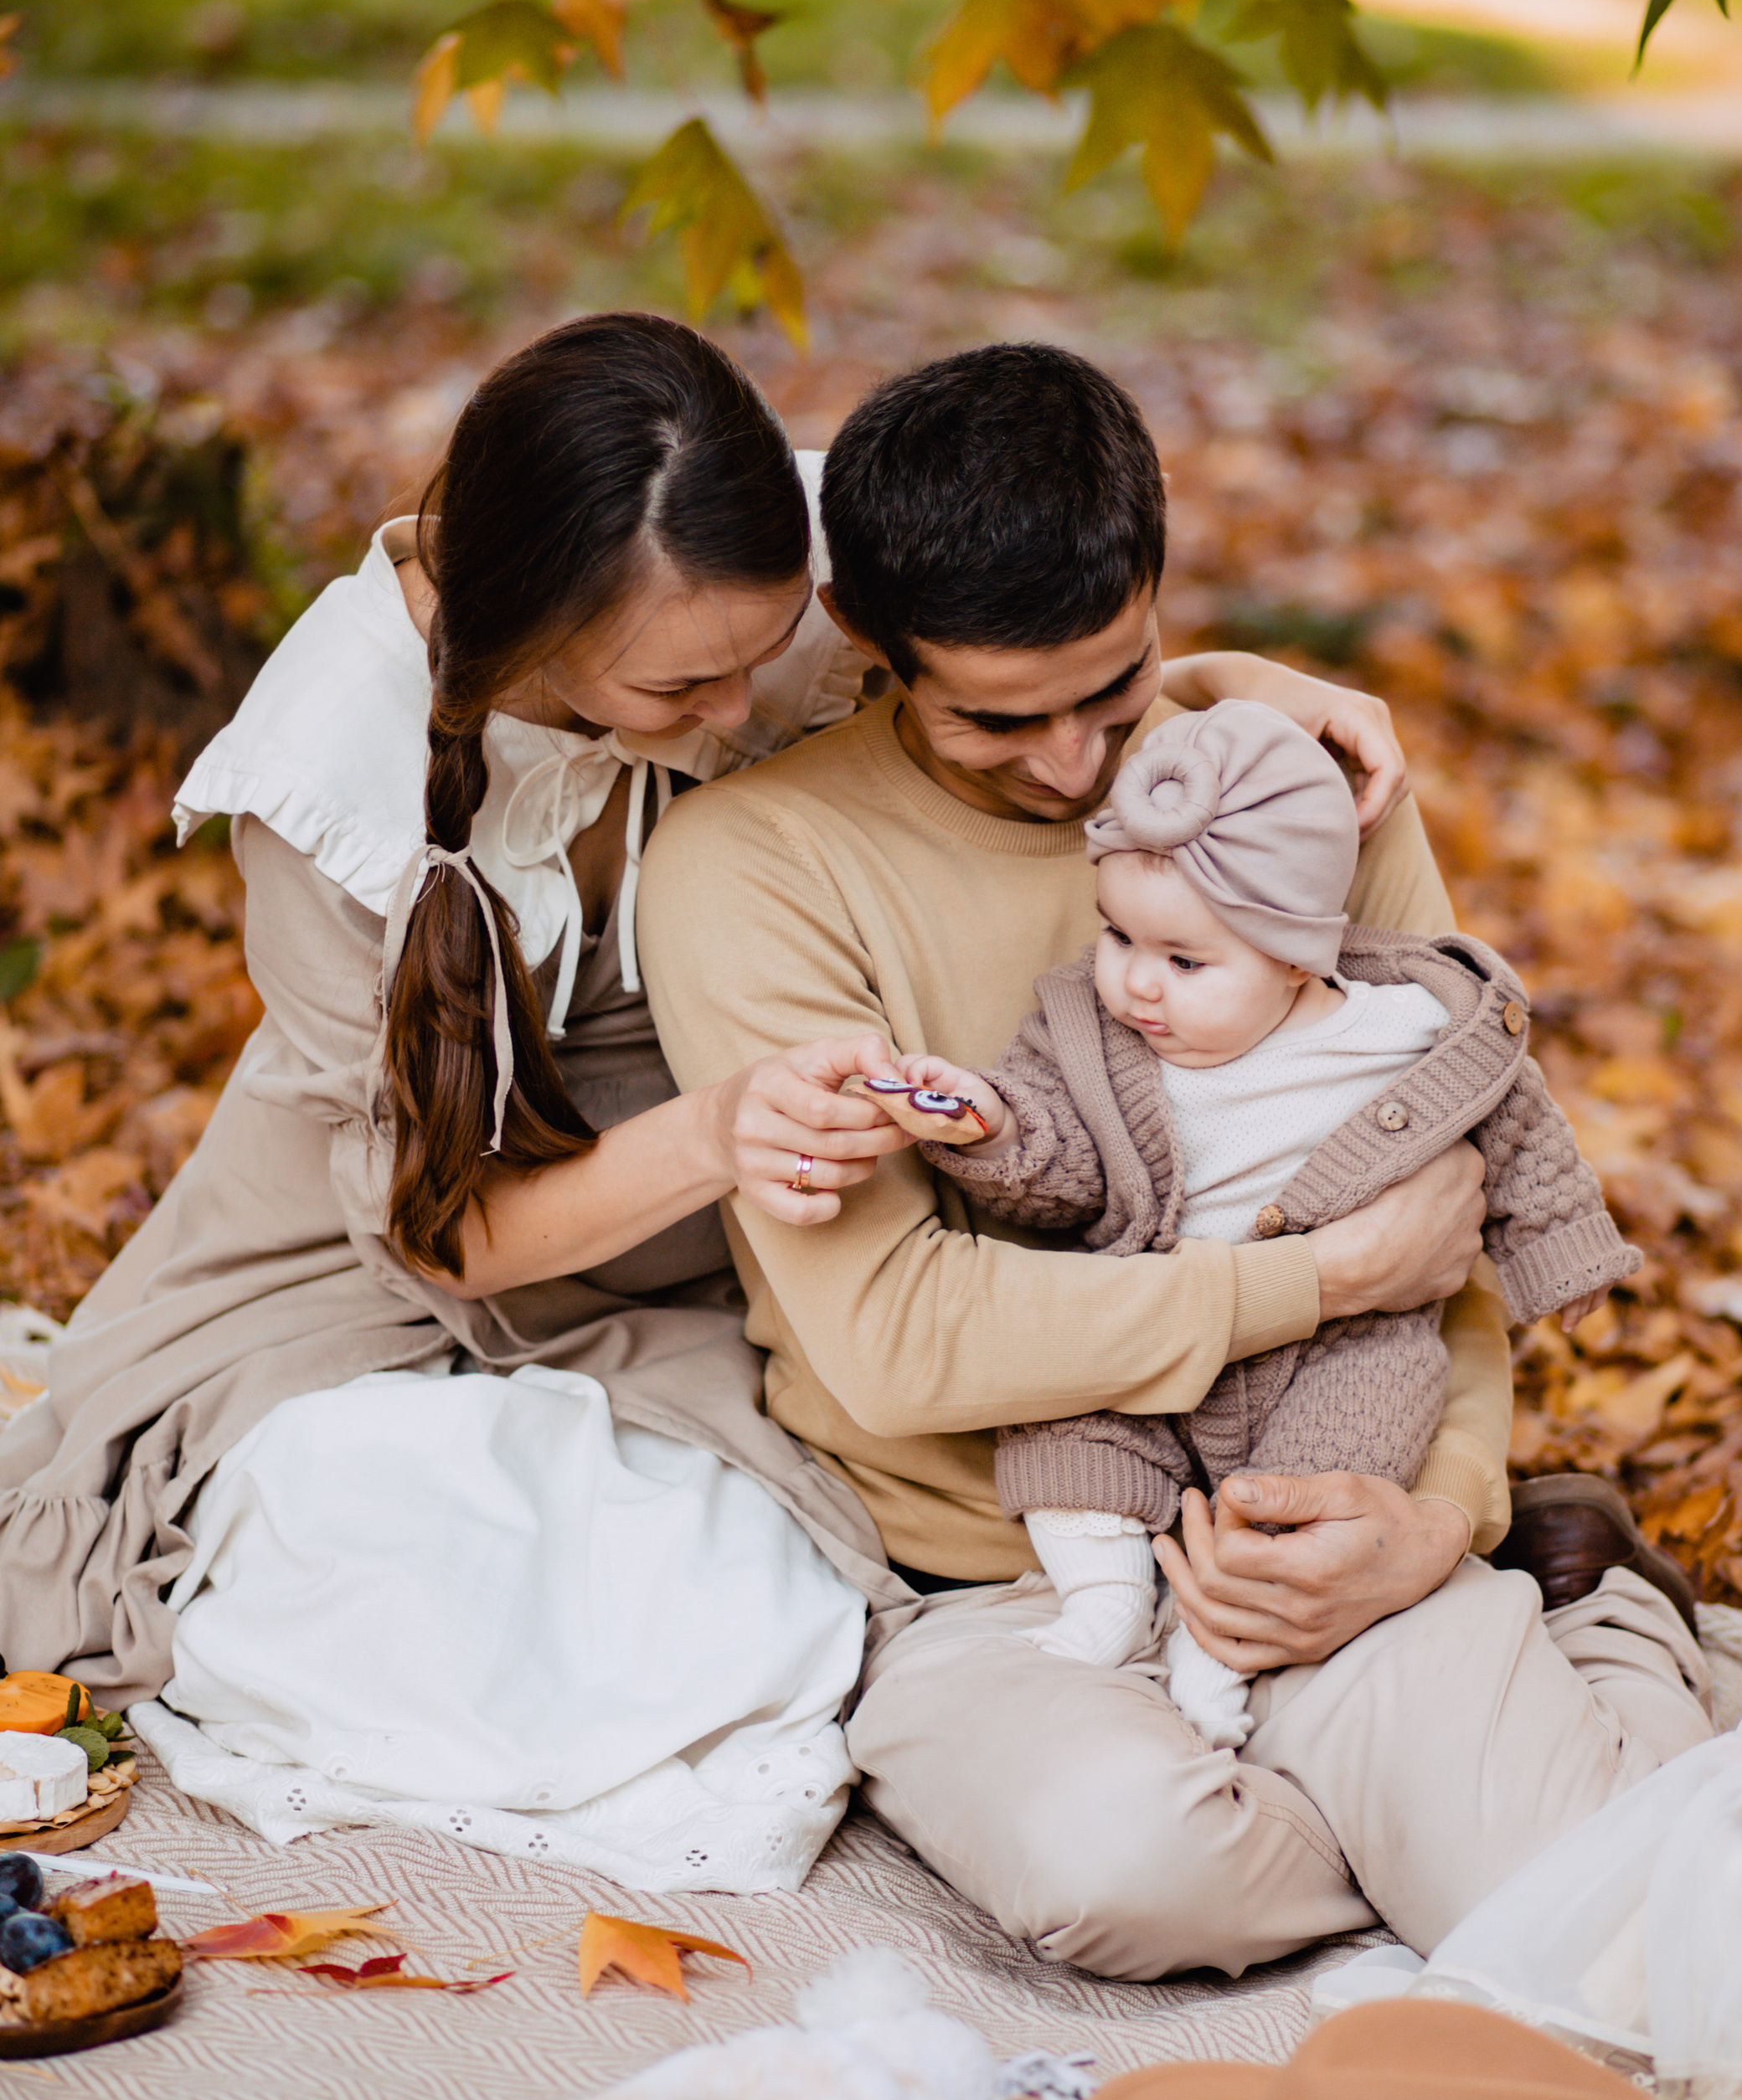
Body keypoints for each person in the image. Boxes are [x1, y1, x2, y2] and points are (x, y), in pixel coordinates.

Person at [0, 314, 1394, 1897]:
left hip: (728, 1253)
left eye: (768, 654)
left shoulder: (766, 554)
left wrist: (1243, 685)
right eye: (684, 685)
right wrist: (719, 1130)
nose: (744, 714)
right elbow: (439, 1237)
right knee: (440, 1586)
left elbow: (1033, 665)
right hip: (393, 1260)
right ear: (525, 627)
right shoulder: (333, 786)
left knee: (736, 1605)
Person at [637, 341, 1717, 1979]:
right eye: (1001, 718)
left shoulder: (1289, 785)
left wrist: (1433, 1518)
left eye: (1116, 691)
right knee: (1126, 1879)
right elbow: (900, 1336)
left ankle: (1583, 1620)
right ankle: (1419, 1772)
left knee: (1569, 1907)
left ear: (1156, 590)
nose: (1076, 770)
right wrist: (1313, 1280)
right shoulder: (752, 870)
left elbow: (1448, 1209)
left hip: (1318, 1498)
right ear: (865, 639)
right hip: (986, 1558)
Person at [879, 698, 1650, 1752]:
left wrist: (1560, 1250)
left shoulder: (1407, 1031)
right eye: (1116, 936)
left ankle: (1224, 1638)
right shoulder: (1093, 1040)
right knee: (1065, 1430)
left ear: (1296, 957)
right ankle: (1101, 1595)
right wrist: (990, 1123)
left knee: (1351, 1442)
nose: (1136, 982)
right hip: (1152, 1322)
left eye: (1185, 962)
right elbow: (1057, 1171)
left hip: (1342, 1343)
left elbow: (1517, 1130)